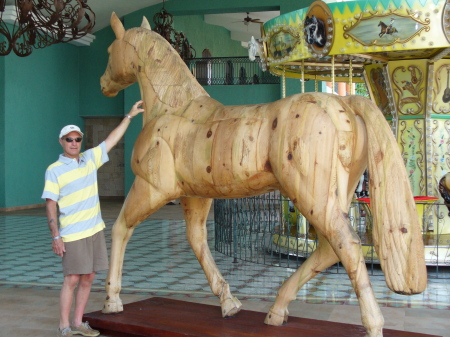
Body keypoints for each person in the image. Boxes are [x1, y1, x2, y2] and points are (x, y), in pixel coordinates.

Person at [42, 100, 144, 337]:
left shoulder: (90, 159)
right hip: (72, 233)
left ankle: (78, 323)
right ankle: (64, 326)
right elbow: (50, 205)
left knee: (88, 277)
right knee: (72, 279)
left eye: (77, 139)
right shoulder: (54, 169)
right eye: (69, 139)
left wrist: (129, 116)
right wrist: (55, 235)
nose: (74, 143)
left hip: (94, 230)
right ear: (62, 142)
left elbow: (111, 140)